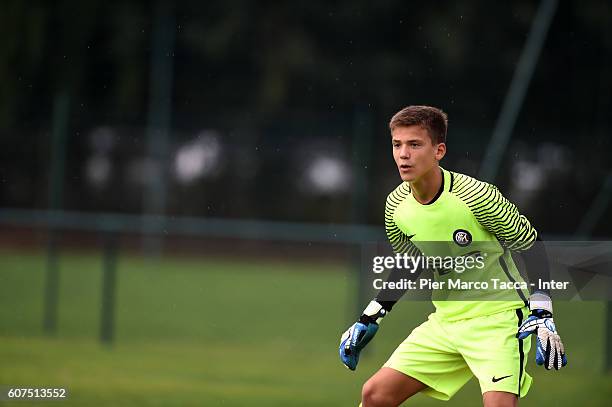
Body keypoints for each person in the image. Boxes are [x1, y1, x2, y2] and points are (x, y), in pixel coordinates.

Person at [339, 105, 567, 407]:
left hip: (497, 321)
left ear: (439, 150)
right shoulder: (396, 205)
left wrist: (542, 309)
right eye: (397, 144)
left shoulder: (477, 195)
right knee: (375, 394)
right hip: (445, 322)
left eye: (415, 144)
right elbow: (411, 261)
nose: (403, 154)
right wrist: (371, 316)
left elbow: (531, 243)